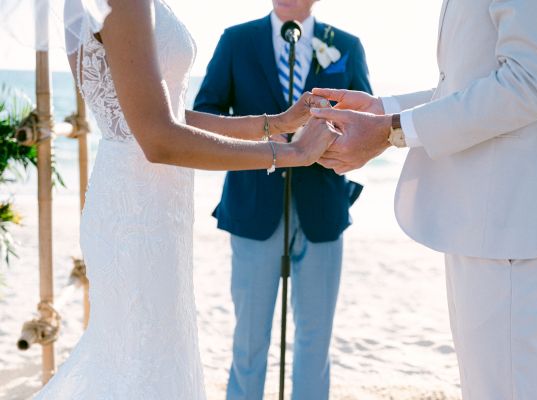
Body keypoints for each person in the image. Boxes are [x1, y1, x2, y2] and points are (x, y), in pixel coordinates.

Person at [33, 0, 336, 398]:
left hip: (152, 204)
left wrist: (272, 124)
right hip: (136, 212)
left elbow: (161, 116)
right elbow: (158, 139)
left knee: (147, 358)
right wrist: (291, 155)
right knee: (140, 364)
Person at [309, 0, 537, 398]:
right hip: (490, 220)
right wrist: (385, 112)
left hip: (511, 223)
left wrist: (392, 130)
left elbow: (531, 84)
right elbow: (473, 81)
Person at [193, 1, 371, 399]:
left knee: (315, 337)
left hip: (323, 209)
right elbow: (205, 112)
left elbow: (366, 121)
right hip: (253, 206)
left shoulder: (346, 44)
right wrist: (261, 135)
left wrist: (330, 136)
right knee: (249, 339)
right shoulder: (236, 40)